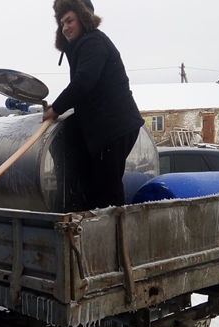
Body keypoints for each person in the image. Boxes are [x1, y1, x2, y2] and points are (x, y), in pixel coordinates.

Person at [42, 0, 145, 210]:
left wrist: (56, 108)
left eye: (69, 20)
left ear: (83, 18)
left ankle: (112, 239)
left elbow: (84, 82)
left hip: (114, 127)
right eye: (62, 23)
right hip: (105, 128)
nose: (65, 27)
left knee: (106, 192)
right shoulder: (82, 45)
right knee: (96, 186)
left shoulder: (93, 42)